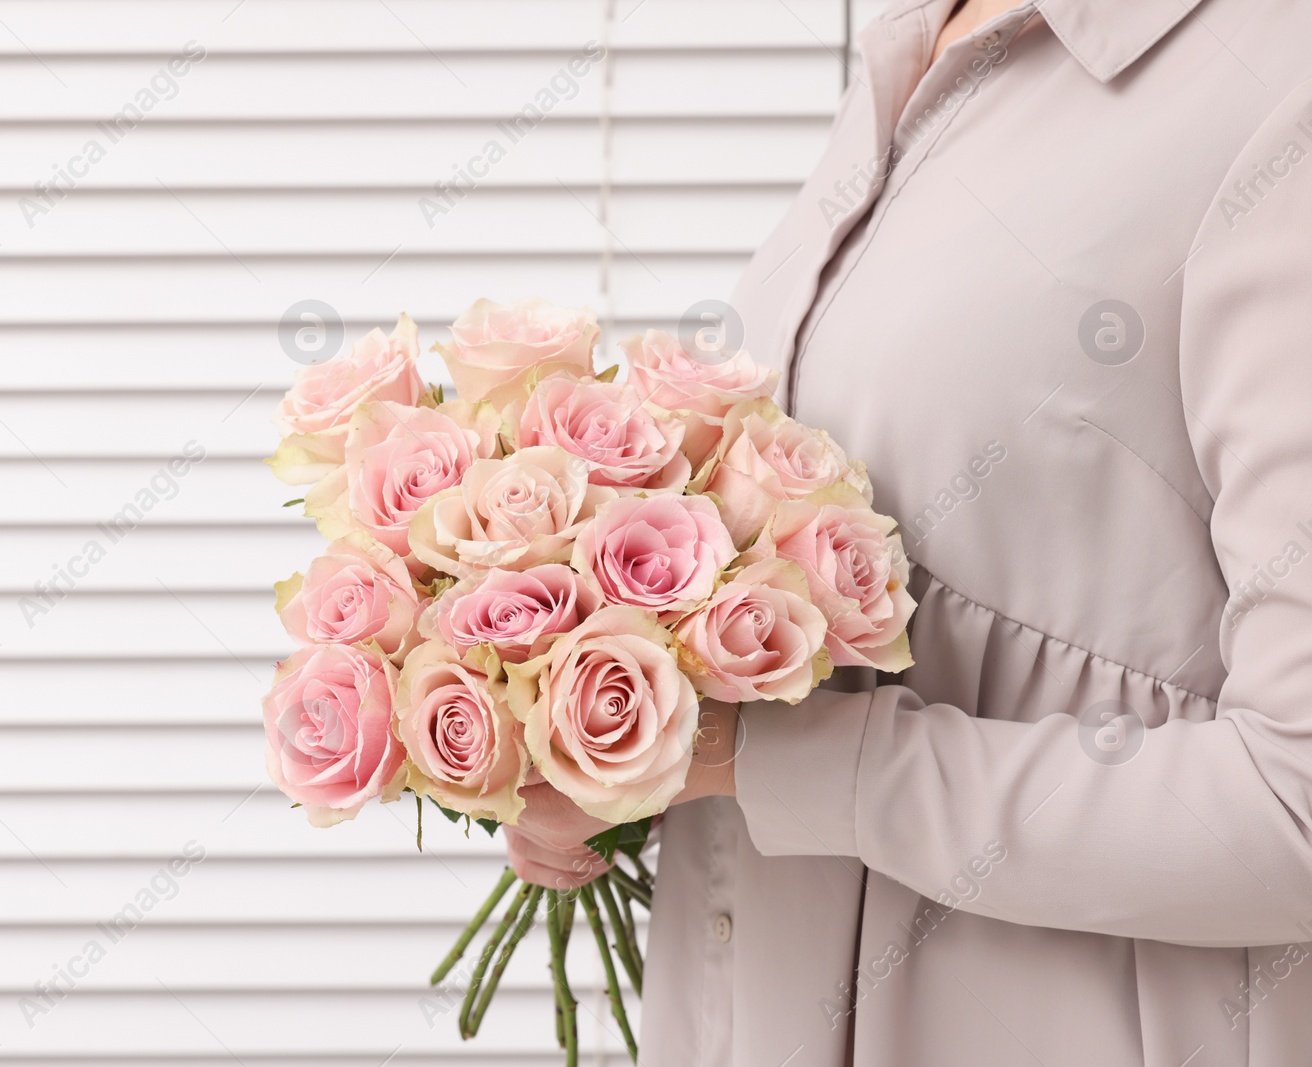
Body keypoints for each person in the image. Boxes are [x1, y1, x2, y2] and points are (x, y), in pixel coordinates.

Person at [502, 0, 1312, 1062]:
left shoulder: (1275, 91)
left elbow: (1294, 811)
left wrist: (764, 761)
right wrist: (612, 724)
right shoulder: (917, 39)